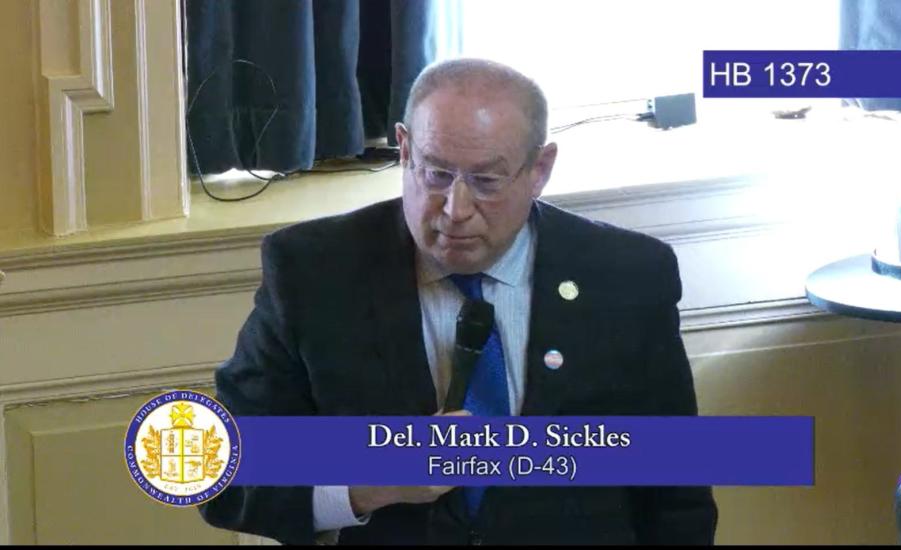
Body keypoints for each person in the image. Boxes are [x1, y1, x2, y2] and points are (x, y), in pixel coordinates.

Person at [199, 58, 718, 545]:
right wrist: (366, 484)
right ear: (404, 150)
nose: (456, 209)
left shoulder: (628, 276)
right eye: (436, 174)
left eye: (487, 181)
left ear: (540, 170)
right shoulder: (312, 272)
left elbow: (676, 492)